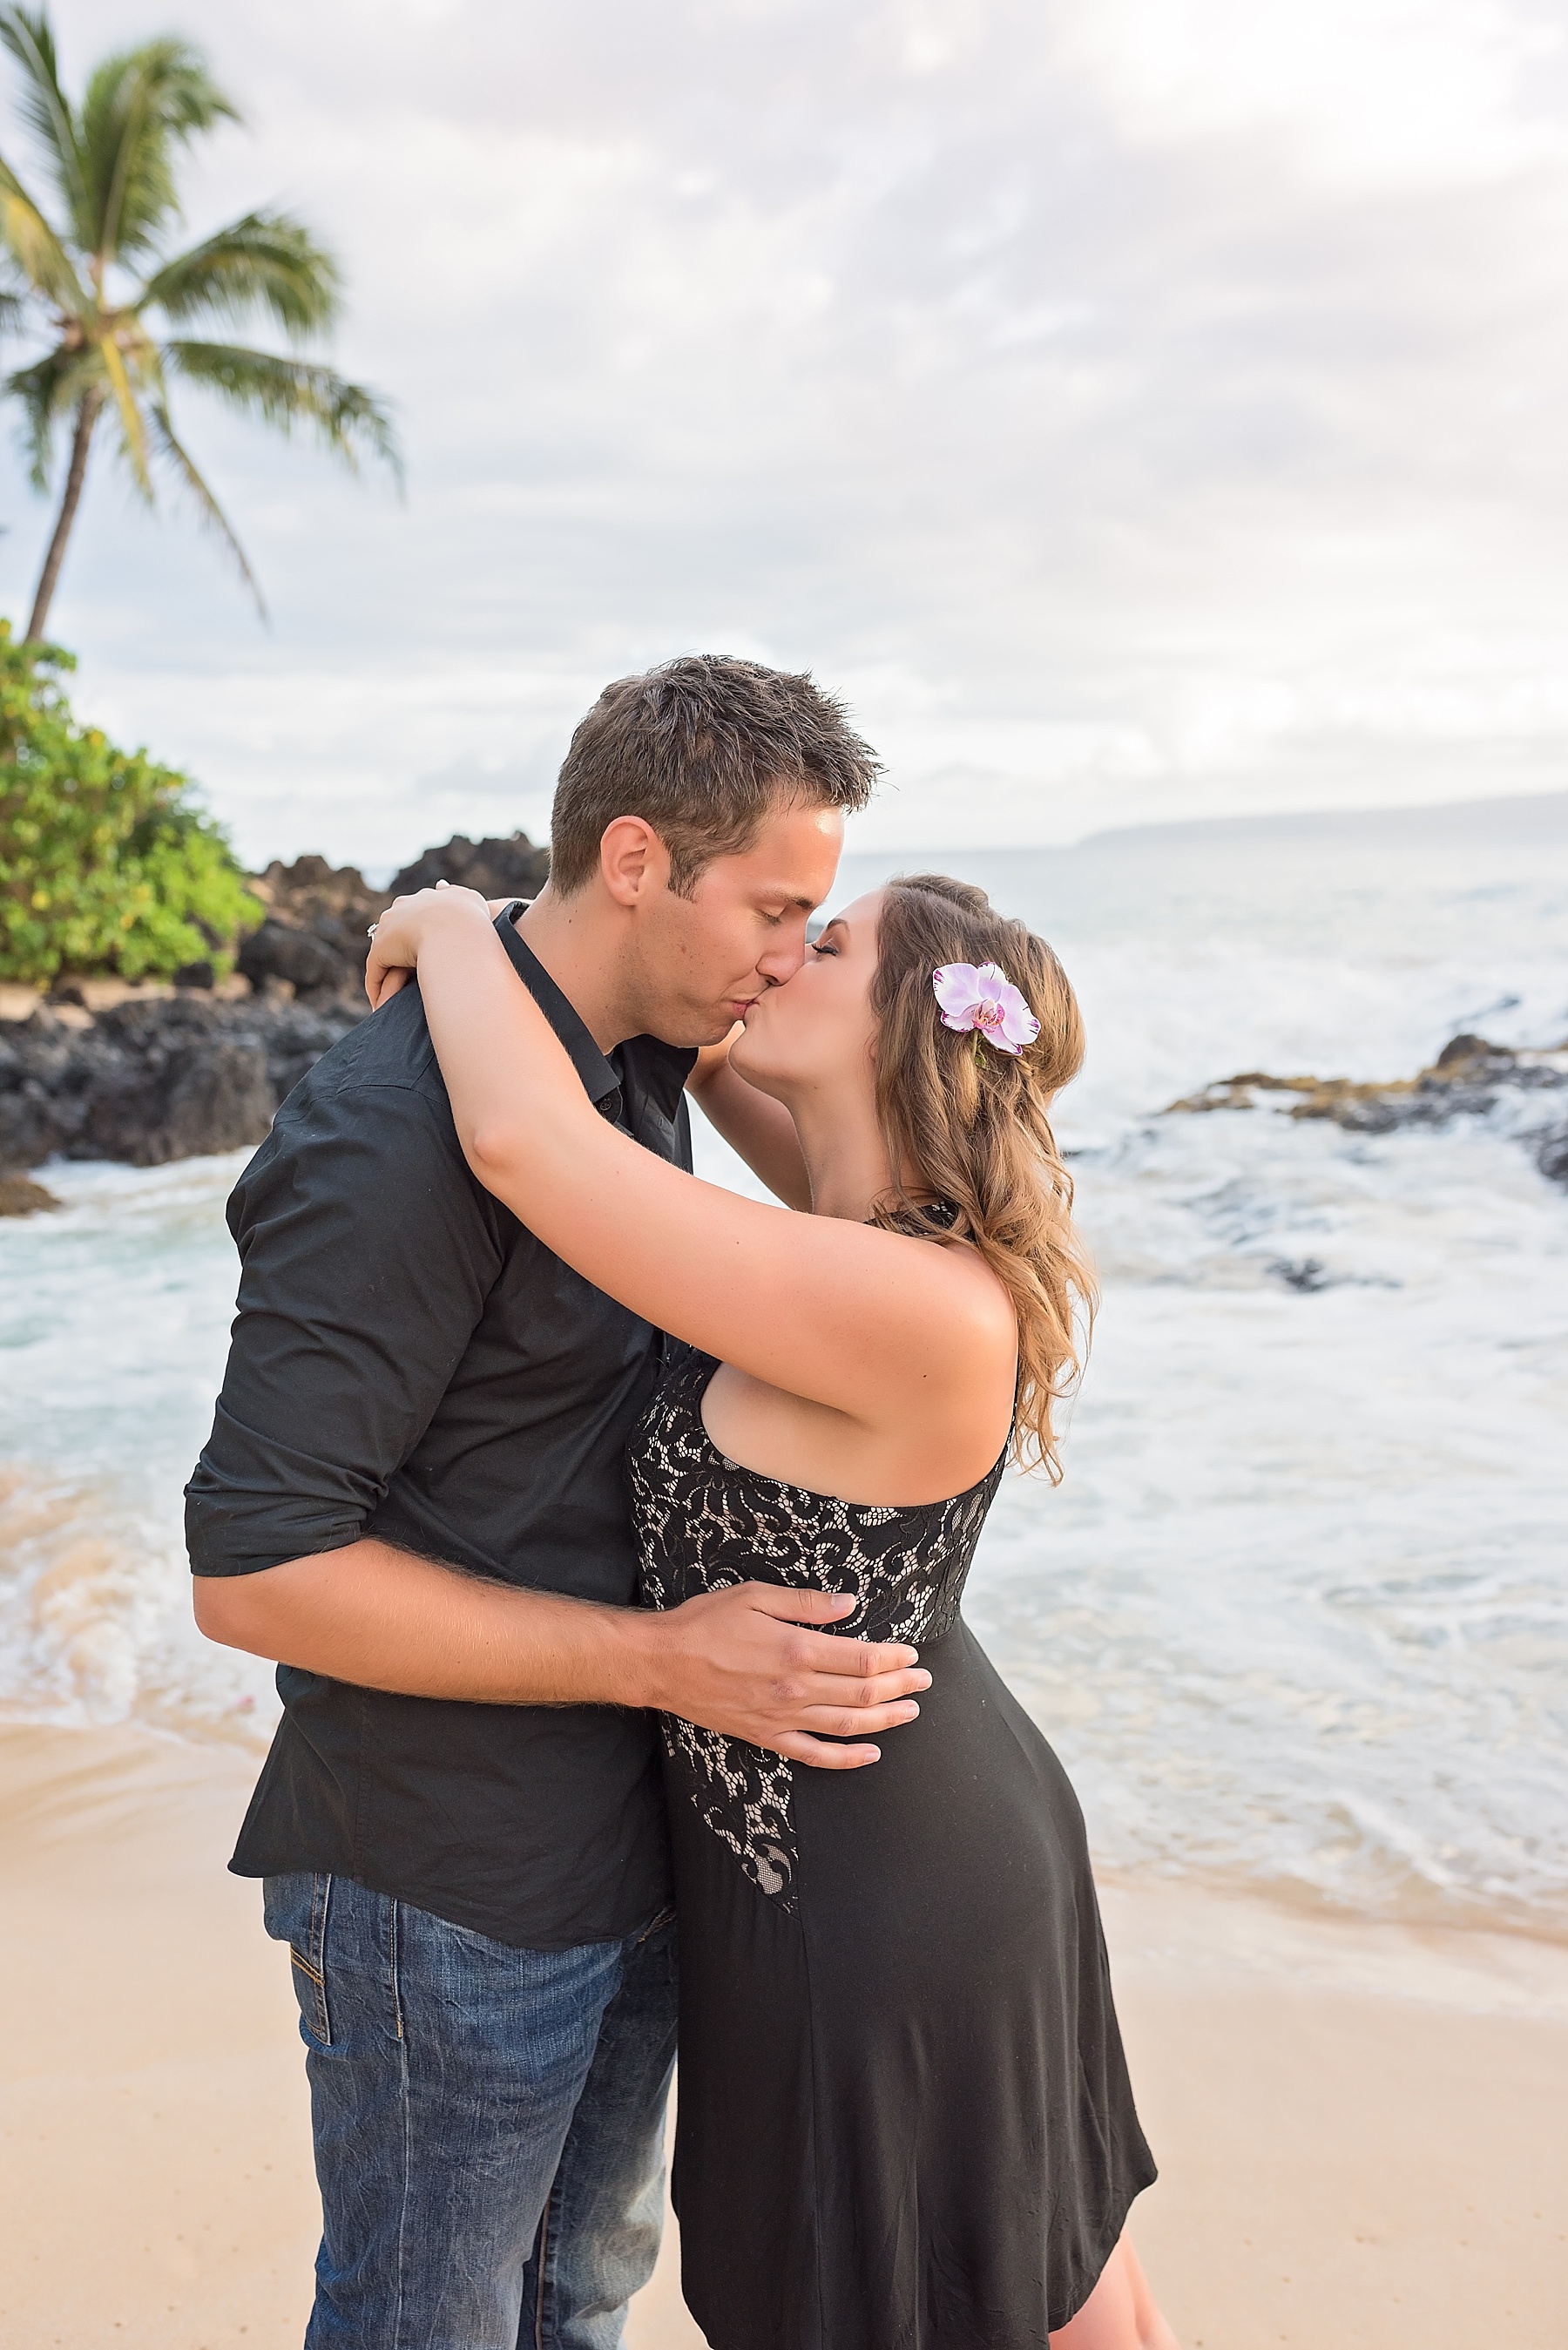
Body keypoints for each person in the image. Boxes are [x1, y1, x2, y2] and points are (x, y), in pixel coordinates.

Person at [186, 656, 936, 2350]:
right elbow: (255, 1570)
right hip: (444, 1882)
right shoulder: (391, 1131)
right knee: (428, 2323)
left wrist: (458, 919)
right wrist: (666, 1657)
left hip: (627, 1847)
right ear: (637, 857)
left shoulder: (640, 1055)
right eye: (778, 905)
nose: (792, 954)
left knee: (574, 2300)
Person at [362, 863, 1176, 2349]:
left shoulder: (916, 1300)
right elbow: (714, 1046)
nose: (788, 949)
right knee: (1053, 2291)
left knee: (975, 2296)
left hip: (883, 1894)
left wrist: (449, 923)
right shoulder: (858, 1228)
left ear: (893, 1033)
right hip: (866, 1841)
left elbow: (523, 1145)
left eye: (832, 937)